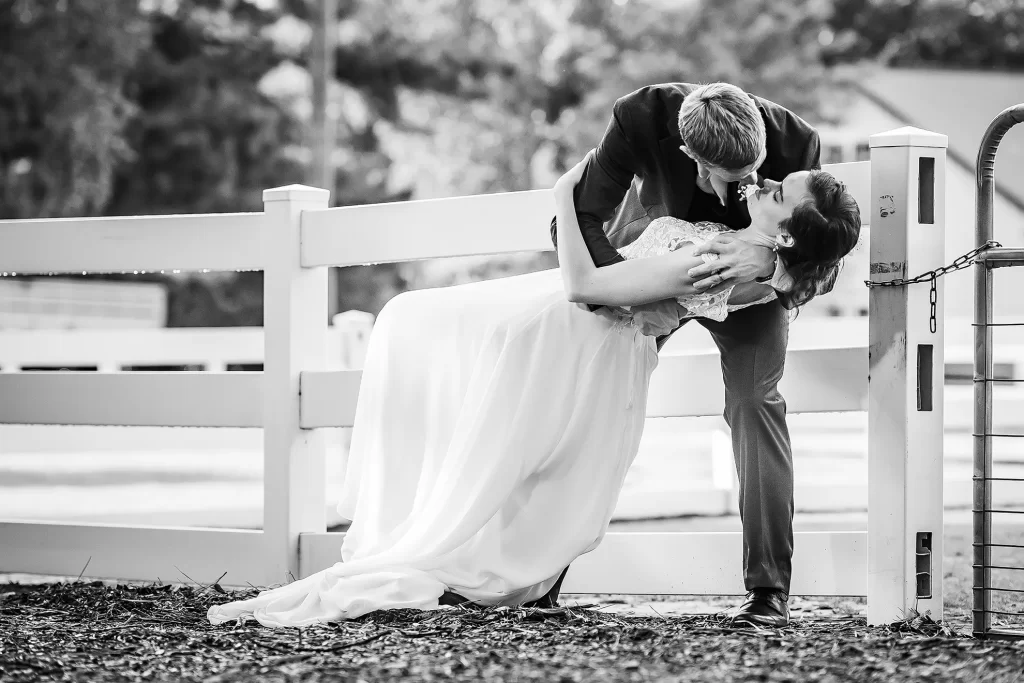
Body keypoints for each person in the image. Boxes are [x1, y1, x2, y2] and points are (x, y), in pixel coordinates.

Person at [206, 146, 861, 629]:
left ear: (783, 232)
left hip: (576, 332)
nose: (768, 176)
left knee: (527, 442)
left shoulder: (711, 260)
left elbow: (591, 289)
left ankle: (499, 569)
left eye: (781, 190)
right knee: (436, 344)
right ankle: (512, 571)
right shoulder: (734, 246)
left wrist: (562, 199)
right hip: (581, 329)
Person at [546, 82, 831, 628]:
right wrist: (627, 285)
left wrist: (768, 268)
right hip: (659, 265)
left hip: (750, 289)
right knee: (599, 400)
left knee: (755, 402)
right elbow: (579, 215)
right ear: (690, 158)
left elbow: (819, 257)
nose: (749, 184)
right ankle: (545, 573)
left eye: (757, 171)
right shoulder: (638, 116)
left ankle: (769, 590)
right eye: (732, 176)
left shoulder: (798, 143)